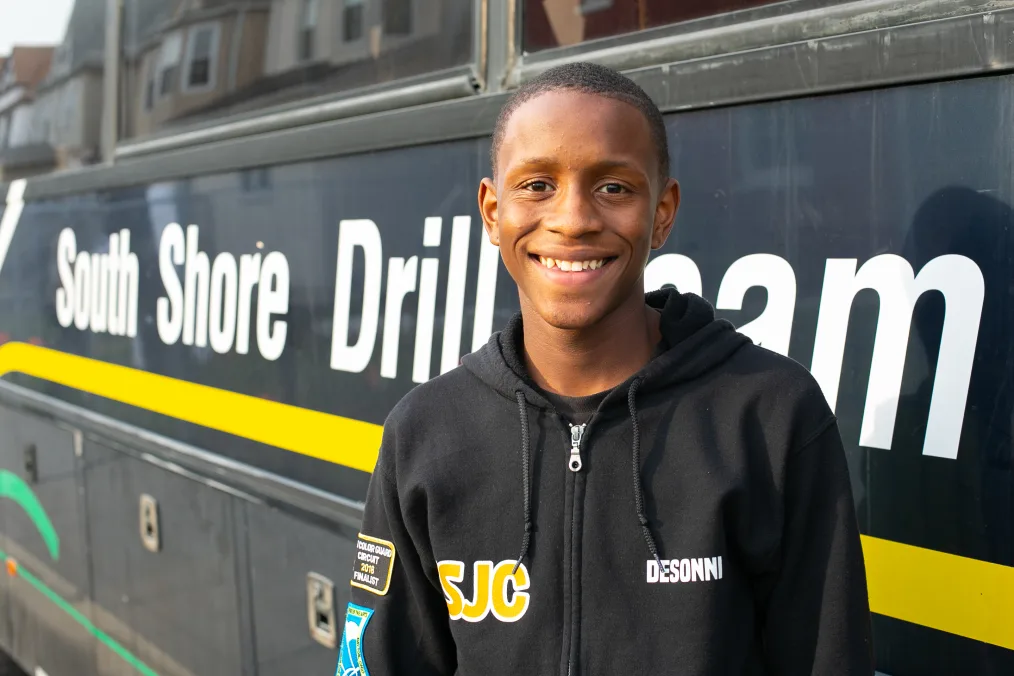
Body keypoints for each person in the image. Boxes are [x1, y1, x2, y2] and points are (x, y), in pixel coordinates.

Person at [336, 62, 873, 675]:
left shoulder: (772, 416)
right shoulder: (424, 433)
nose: (573, 219)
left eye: (613, 187)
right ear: (492, 211)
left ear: (663, 212)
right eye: (537, 185)